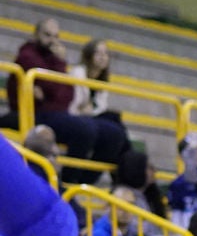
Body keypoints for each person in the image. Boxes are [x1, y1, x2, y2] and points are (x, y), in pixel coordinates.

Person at [6, 18, 129, 184]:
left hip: (56, 112)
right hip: (34, 113)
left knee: (115, 134)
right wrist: (58, 68)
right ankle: (67, 182)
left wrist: (52, 90)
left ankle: (84, 183)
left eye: (56, 36)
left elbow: (65, 94)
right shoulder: (27, 55)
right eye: (47, 35)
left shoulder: (53, 60)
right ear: (36, 35)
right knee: (84, 129)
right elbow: (55, 87)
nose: (52, 41)